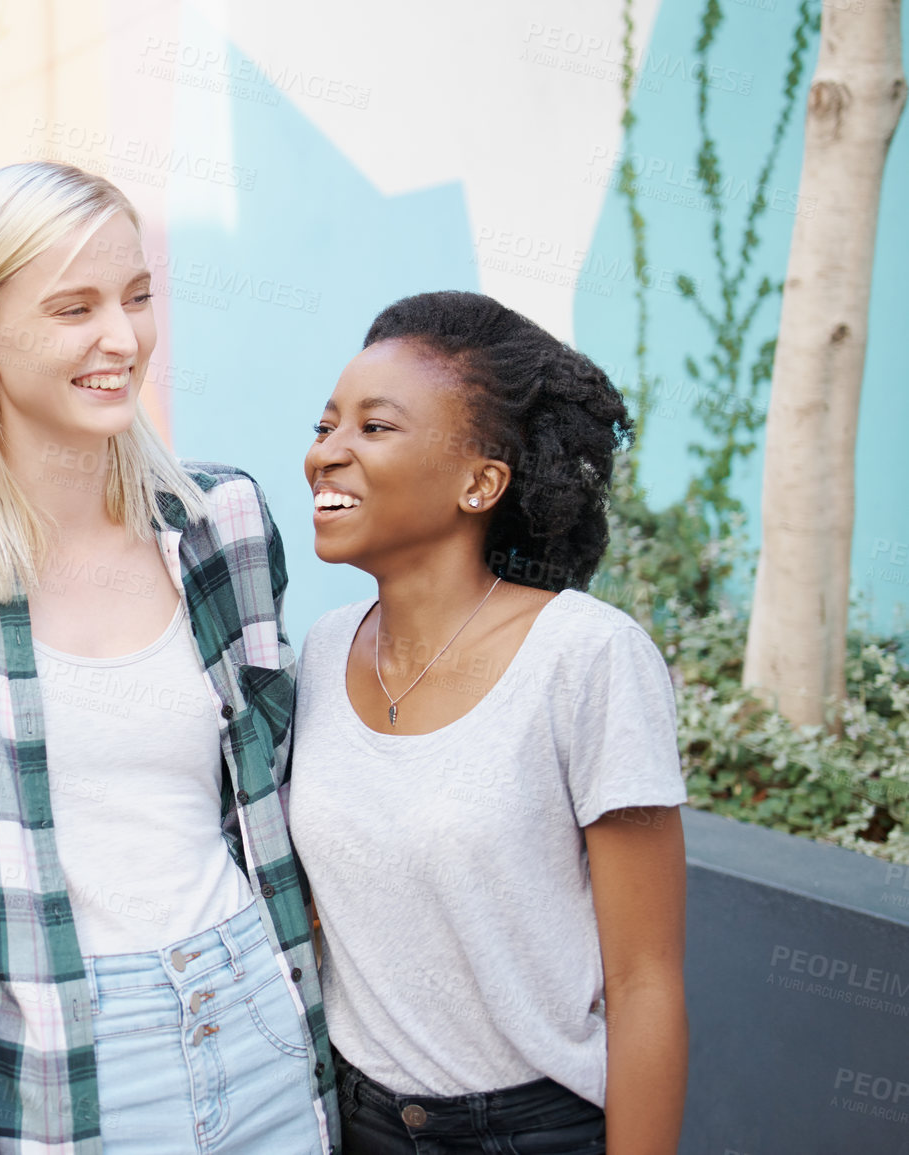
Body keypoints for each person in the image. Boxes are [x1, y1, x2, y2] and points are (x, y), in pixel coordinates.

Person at [0, 161, 335, 1153]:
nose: (123, 339)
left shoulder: (223, 522)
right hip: (58, 1054)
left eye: (138, 296)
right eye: (74, 308)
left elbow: (265, 789)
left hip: (260, 1007)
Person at [288, 290, 689, 1154]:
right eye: (326, 426)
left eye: (374, 428)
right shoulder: (322, 654)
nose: (327, 454)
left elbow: (644, 978)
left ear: (480, 481)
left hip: (530, 1129)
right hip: (351, 1119)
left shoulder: (585, 658)